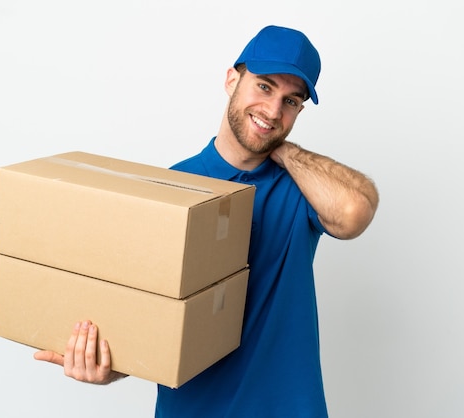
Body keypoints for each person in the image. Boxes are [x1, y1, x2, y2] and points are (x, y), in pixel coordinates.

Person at [34, 25, 379, 417]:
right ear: (232, 79)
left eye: (291, 101)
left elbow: (354, 212)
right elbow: (145, 320)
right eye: (264, 87)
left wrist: (283, 150)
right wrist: (107, 368)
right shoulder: (170, 189)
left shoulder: (301, 188)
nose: (273, 109)